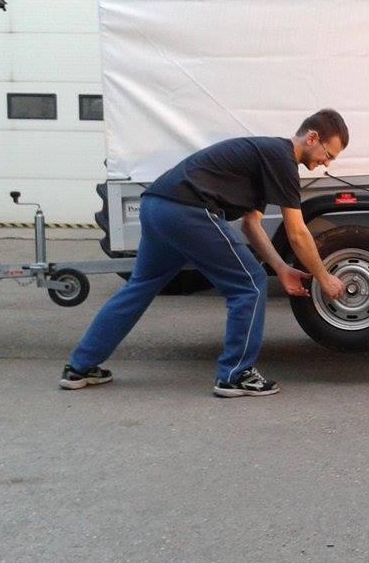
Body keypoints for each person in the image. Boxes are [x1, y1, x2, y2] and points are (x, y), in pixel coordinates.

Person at [60, 109, 348, 397]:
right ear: (312, 138)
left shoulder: (268, 157)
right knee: (250, 285)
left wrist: (281, 268)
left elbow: (251, 225)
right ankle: (236, 375)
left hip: (157, 206)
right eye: (329, 154)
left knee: (140, 286)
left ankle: (80, 367)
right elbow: (297, 233)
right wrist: (324, 278)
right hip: (187, 210)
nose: (326, 163)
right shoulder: (282, 158)